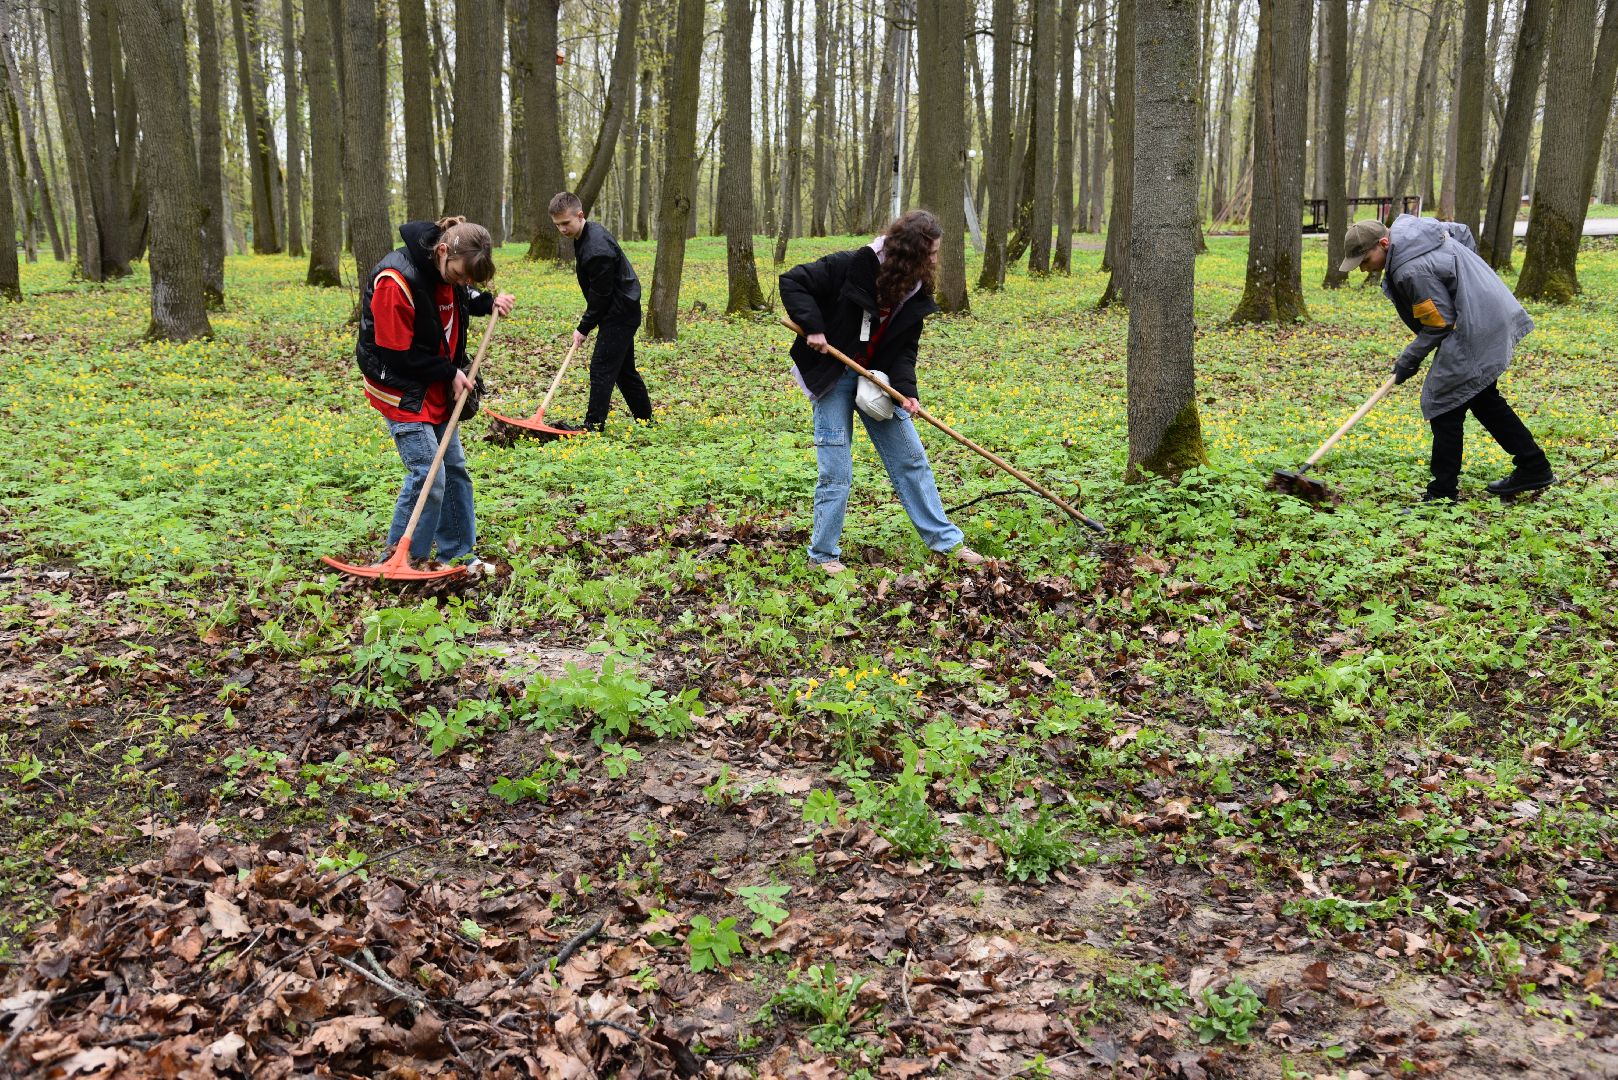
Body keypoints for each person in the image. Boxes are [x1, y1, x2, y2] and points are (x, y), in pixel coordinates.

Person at [779, 209, 985, 575]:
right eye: (931, 253)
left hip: (877, 378)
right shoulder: (850, 266)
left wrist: (906, 391)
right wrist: (813, 327)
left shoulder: (916, 288)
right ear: (910, 252)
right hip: (832, 373)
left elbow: (904, 348)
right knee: (836, 470)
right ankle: (823, 555)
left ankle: (946, 542)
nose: (936, 259)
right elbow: (793, 282)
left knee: (911, 457)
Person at [1341, 216, 1555, 502]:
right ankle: (1534, 466)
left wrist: (1409, 359)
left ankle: (1442, 494)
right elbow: (1461, 232)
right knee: (1481, 397)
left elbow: (1440, 322)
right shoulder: (1411, 232)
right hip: (1484, 311)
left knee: (1443, 403)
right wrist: (1467, 284)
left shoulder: (1410, 268)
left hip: (1475, 322)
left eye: (1365, 259)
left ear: (1383, 243)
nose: (1363, 268)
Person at [355, 216, 515, 571]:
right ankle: (400, 560)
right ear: (442, 251)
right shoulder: (394, 282)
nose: (462, 283)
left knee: (454, 468)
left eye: (469, 279)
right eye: (460, 275)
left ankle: (458, 554)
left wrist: (489, 301)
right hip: (400, 389)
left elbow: (462, 294)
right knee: (429, 472)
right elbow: (396, 353)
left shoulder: (449, 269)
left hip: (438, 384)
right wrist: (449, 371)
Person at [548, 192, 653, 432]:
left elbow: (601, 295)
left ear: (580, 215)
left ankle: (593, 426)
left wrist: (584, 327)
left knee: (601, 368)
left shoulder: (596, 248)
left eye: (566, 223)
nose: (562, 229)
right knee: (625, 372)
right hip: (618, 309)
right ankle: (647, 422)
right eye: (558, 225)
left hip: (619, 312)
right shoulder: (585, 234)